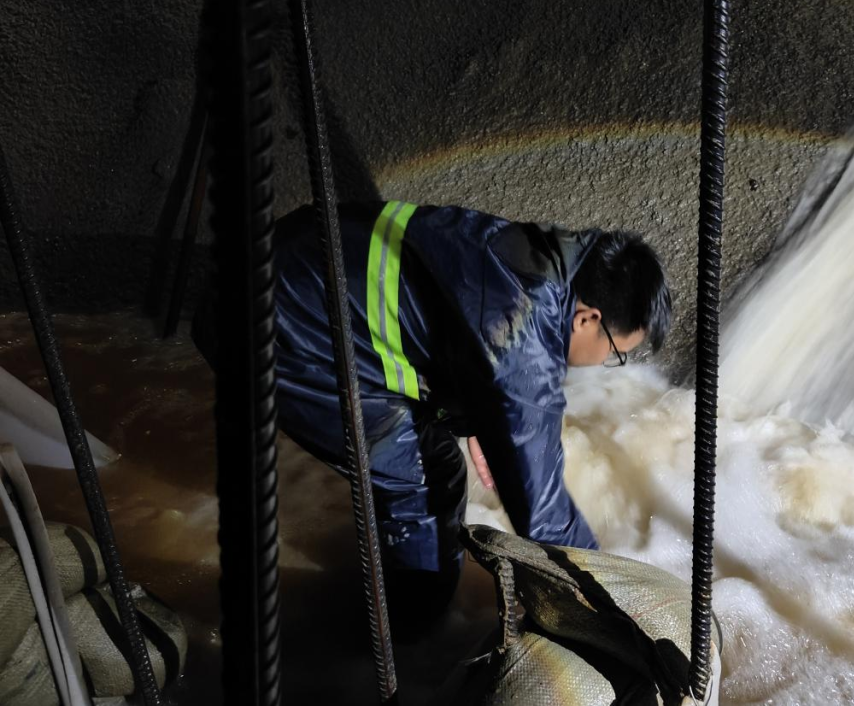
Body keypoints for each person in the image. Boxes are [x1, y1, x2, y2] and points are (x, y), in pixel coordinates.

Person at [195, 200, 671, 628]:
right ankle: (406, 636)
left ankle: (409, 602)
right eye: (614, 352)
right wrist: (613, 599)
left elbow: (456, 329)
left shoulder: (541, 255)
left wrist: (482, 417)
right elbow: (544, 519)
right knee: (422, 487)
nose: (606, 363)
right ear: (587, 319)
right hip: (280, 325)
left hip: (288, 261)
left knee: (438, 464)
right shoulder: (525, 331)